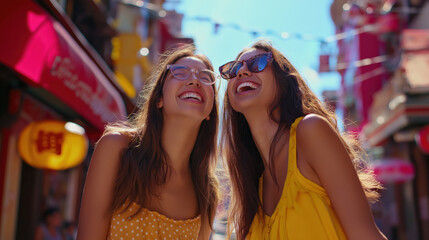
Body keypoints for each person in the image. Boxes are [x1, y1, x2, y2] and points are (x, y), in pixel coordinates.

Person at [219, 40, 387, 240]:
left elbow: (365, 235)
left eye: (258, 63)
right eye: (234, 68)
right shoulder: (251, 187)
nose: (242, 72)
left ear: (283, 81)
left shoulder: (310, 131)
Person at [77, 45, 220, 240]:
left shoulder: (206, 191)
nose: (194, 80)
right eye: (180, 72)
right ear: (159, 99)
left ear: (210, 111)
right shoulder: (117, 147)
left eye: (205, 77)